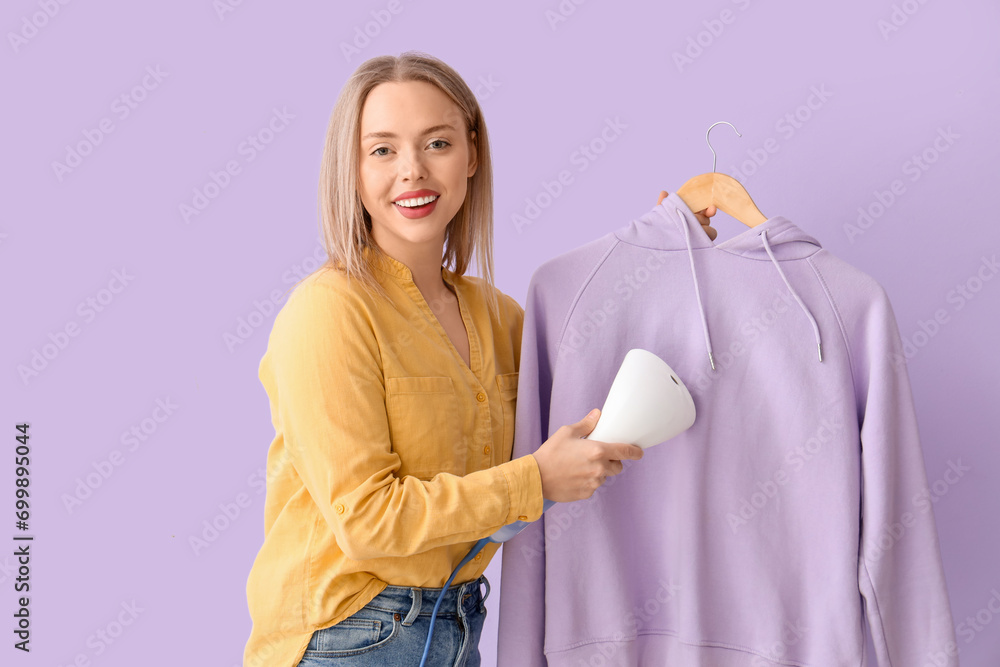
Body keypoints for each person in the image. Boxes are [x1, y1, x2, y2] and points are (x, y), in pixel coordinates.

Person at [242, 51, 718, 667]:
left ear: (471, 154)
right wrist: (535, 481)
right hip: (348, 637)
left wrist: (665, 257)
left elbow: (596, 403)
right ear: (351, 170)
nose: (412, 171)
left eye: (436, 143)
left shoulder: (497, 316)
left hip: (459, 624)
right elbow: (366, 521)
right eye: (382, 150)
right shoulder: (328, 312)